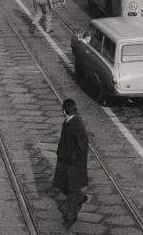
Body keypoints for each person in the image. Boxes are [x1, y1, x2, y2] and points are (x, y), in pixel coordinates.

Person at [53, 98, 89, 229]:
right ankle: (80, 197)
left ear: (64, 111)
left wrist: (72, 158)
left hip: (73, 166)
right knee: (61, 184)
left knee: (71, 193)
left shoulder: (77, 125)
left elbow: (83, 145)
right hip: (65, 163)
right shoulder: (69, 121)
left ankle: (70, 217)